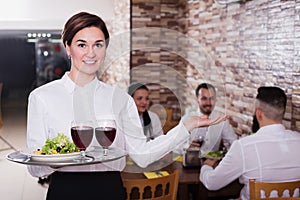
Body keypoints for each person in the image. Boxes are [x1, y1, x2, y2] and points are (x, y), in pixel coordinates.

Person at [26, 12, 227, 200]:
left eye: (98, 44)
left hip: (110, 188)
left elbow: (142, 156)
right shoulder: (42, 97)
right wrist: (54, 160)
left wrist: (185, 128)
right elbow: (35, 169)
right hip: (65, 190)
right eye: (81, 45)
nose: (91, 53)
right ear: (68, 47)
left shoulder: (121, 99)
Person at [200, 86, 300, 200]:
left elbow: (212, 183)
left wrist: (206, 167)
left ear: (259, 113)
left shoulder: (244, 146)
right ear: (282, 112)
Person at [185, 83, 237, 152]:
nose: (208, 103)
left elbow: (233, 142)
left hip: (212, 161)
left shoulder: (221, 119)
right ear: (197, 98)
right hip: (190, 160)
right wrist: (187, 146)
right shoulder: (187, 119)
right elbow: (175, 146)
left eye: (211, 98)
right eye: (204, 99)